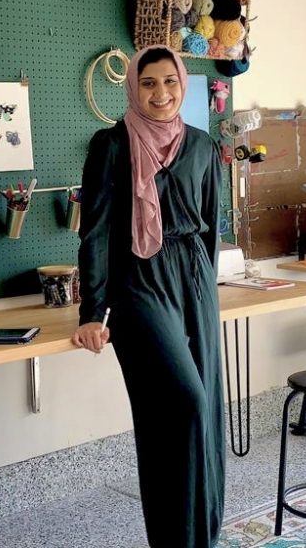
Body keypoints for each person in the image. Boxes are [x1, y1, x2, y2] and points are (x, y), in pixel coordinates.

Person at [71, 45, 224, 548]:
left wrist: (206, 289)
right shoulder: (111, 145)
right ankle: (177, 537)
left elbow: (210, 228)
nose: (161, 93)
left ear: (183, 83)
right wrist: (92, 311)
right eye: (149, 83)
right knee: (186, 402)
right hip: (138, 280)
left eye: (170, 82)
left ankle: (203, 534)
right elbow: (94, 233)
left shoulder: (202, 145)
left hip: (194, 278)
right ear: (133, 87)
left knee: (205, 411)